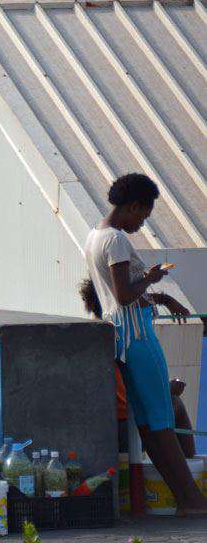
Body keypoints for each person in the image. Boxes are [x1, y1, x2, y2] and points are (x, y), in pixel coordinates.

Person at [82, 173, 205, 515]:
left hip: (120, 334)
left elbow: (114, 295)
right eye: (143, 215)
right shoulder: (117, 240)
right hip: (137, 335)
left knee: (150, 421)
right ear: (133, 206)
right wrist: (151, 278)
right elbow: (124, 295)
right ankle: (190, 500)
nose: (142, 222)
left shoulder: (95, 236)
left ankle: (187, 499)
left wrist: (160, 295)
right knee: (161, 417)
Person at [80, 279, 197, 459]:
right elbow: (137, 398)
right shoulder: (121, 336)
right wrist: (169, 390)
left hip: (100, 429)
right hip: (125, 431)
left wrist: (165, 300)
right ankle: (189, 467)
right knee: (174, 404)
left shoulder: (96, 332)